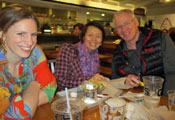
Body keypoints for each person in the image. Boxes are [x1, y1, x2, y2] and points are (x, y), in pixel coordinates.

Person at [0, 4, 57, 119]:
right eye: (21, 34)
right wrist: (35, 85)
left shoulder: (35, 53)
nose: (30, 42)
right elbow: (18, 116)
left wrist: (23, 104)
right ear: (2, 34)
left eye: (33, 35)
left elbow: (51, 88)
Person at [111, 9, 175, 96]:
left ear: (136, 22)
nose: (124, 29)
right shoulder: (117, 51)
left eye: (127, 23)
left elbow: (172, 73)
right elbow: (115, 78)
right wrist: (125, 81)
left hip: (159, 97)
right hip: (131, 98)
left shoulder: (160, 38)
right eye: (119, 26)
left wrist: (166, 99)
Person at [55, 21, 106, 91]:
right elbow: (60, 80)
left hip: (88, 95)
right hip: (68, 96)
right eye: (90, 35)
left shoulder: (95, 57)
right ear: (83, 37)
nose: (94, 39)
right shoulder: (69, 50)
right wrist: (89, 79)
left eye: (98, 36)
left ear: (101, 41)